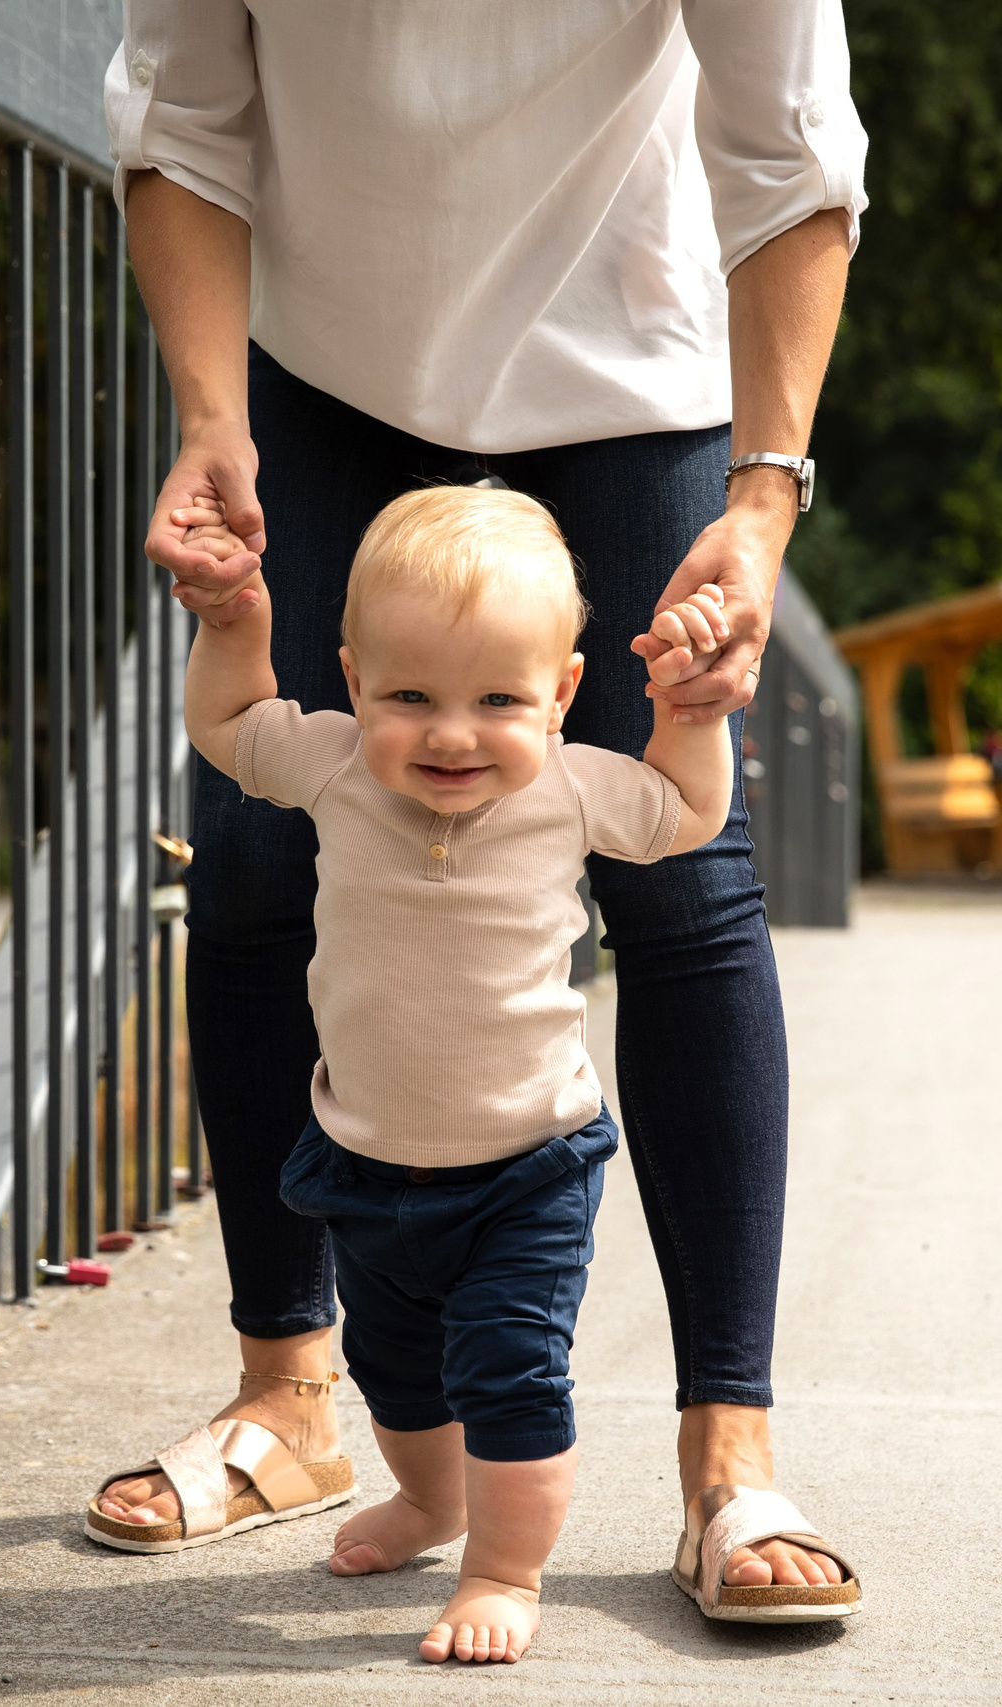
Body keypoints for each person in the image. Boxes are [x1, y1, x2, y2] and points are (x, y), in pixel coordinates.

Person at [87, 1, 867, 1622]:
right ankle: (292, 1399)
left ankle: (729, 1455)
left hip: (628, 360)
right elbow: (184, 110)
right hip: (316, 361)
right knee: (249, 854)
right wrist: (212, 420)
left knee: (685, 879)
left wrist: (763, 493)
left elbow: (788, 150)